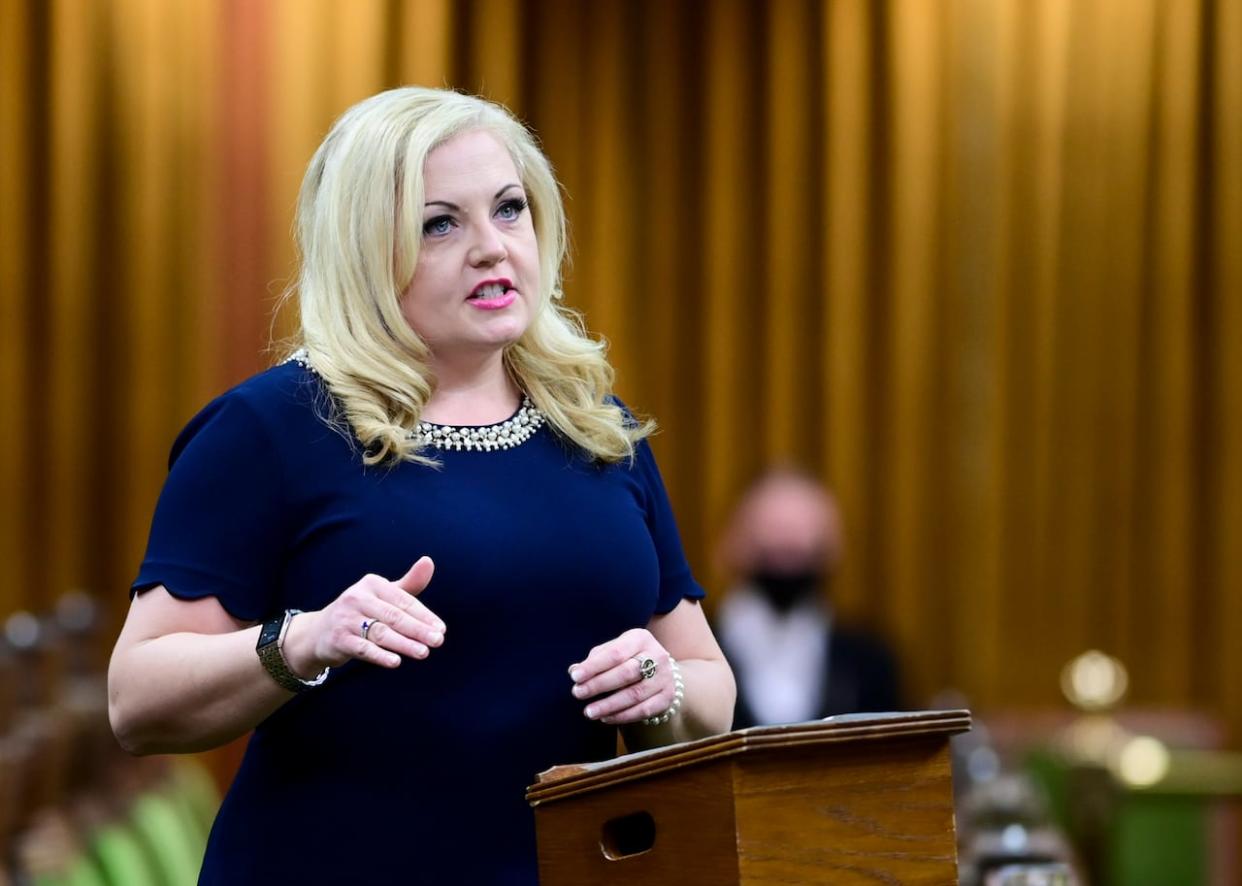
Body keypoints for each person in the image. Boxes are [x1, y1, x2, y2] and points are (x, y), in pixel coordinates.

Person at [107, 86, 735, 885]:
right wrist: (302, 641)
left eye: (510, 210)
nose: (492, 248)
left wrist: (661, 687)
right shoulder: (271, 429)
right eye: (440, 224)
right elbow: (137, 700)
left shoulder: (595, 425)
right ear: (366, 250)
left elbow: (709, 685)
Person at [714, 468, 898, 727]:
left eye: (803, 533)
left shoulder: (869, 661)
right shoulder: (690, 650)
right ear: (732, 541)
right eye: (772, 528)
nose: (788, 543)